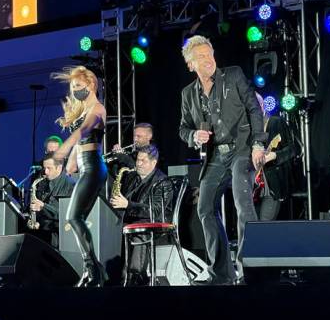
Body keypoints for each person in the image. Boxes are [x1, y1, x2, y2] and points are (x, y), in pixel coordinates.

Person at [178, 35, 268, 285]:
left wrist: (258, 143)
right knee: (204, 208)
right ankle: (222, 274)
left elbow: (254, 108)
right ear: (190, 64)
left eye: (210, 54)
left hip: (242, 149)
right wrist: (194, 136)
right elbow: (183, 129)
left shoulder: (234, 75)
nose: (208, 60)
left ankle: (250, 271)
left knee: (242, 202)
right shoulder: (188, 94)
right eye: (201, 57)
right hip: (215, 156)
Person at [51, 66, 108, 287]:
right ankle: (92, 270)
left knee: (73, 217)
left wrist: (65, 148)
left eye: (78, 86)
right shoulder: (84, 109)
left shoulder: (98, 109)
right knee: (75, 218)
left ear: (91, 84)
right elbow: (81, 140)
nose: (75, 91)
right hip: (85, 166)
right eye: (73, 87)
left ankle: (93, 269)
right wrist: (72, 160)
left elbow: (84, 131)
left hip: (94, 167)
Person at [109, 144, 173, 285]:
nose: (138, 163)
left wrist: (128, 205)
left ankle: (135, 276)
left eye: (143, 161)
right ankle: (117, 276)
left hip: (154, 225)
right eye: (138, 160)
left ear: (153, 162)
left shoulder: (163, 182)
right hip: (133, 221)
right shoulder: (133, 177)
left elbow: (156, 211)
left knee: (136, 230)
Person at [29, 153, 75, 247]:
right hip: (45, 233)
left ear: (59, 168)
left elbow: (65, 215)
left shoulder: (70, 185)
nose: (45, 172)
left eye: (49, 168)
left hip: (60, 238)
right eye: (44, 168)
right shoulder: (43, 183)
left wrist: (43, 207)